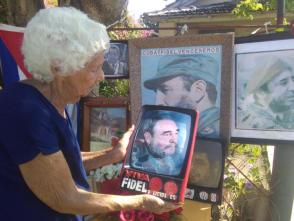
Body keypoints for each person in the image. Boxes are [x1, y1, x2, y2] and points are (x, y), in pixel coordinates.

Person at [0, 7, 179, 221]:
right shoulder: (27, 111)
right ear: (59, 68)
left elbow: (60, 164)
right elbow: (65, 197)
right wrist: (140, 201)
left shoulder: (49, 100)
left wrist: (113, 155)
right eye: (94, 68)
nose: (102, 76)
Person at [144, 54, 219, 138]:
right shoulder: (189, 129)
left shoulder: (214, 132)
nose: (157, 103)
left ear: (198, 90)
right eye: (156, 91)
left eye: (166, 90)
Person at [238, 56, 294, 130]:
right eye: (283, 83)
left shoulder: (286, 116)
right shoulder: (254, 122)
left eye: (293, 80)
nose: (292, 88)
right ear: (262, 90)